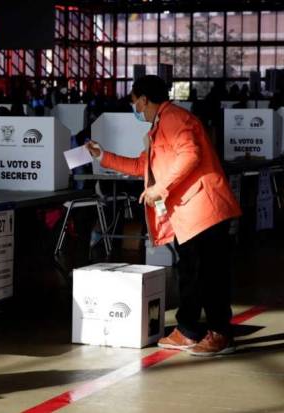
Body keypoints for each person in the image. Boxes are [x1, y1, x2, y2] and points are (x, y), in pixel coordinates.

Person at [85, 75, 242, 356]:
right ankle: (189, 330)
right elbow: (141, 166)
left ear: (144, 99)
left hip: (204, 209)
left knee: (208, 275)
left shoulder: (173, 119)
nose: (136, 109)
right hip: (192, 212)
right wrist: (103, 156)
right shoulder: (161, 125)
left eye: (135, 103)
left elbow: (190, 155)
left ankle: (219, 333)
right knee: (191, 273)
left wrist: (161, 187)